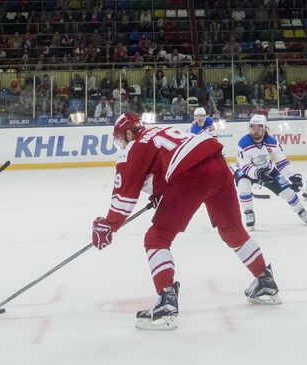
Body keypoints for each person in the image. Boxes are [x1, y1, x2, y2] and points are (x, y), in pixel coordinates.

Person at [91, 112, 279, 330]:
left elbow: (124, 198)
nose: (122, 145)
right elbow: (169, 161)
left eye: (121, 139)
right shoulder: (158, 131)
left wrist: (108, 225)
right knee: (232, 230)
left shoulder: (134, 147)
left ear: (130, 133)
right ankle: (265, 281)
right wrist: (161, 192)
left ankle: (166, 305)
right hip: (218, 167)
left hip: (191, 177)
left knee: (156, 238)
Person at [234, 114, 307, 229]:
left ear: (264, 128)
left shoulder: (272, 143)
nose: (255, 130)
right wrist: (257, 173)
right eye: (253, 127)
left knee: (287, 192)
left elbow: (281, 162)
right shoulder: (243, 143)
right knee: (243, 186)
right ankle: (249, 212)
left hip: (267, 170)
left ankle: (301, 211)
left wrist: (293, 177)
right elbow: (245, 166)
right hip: (246, 171)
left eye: (259, 127)